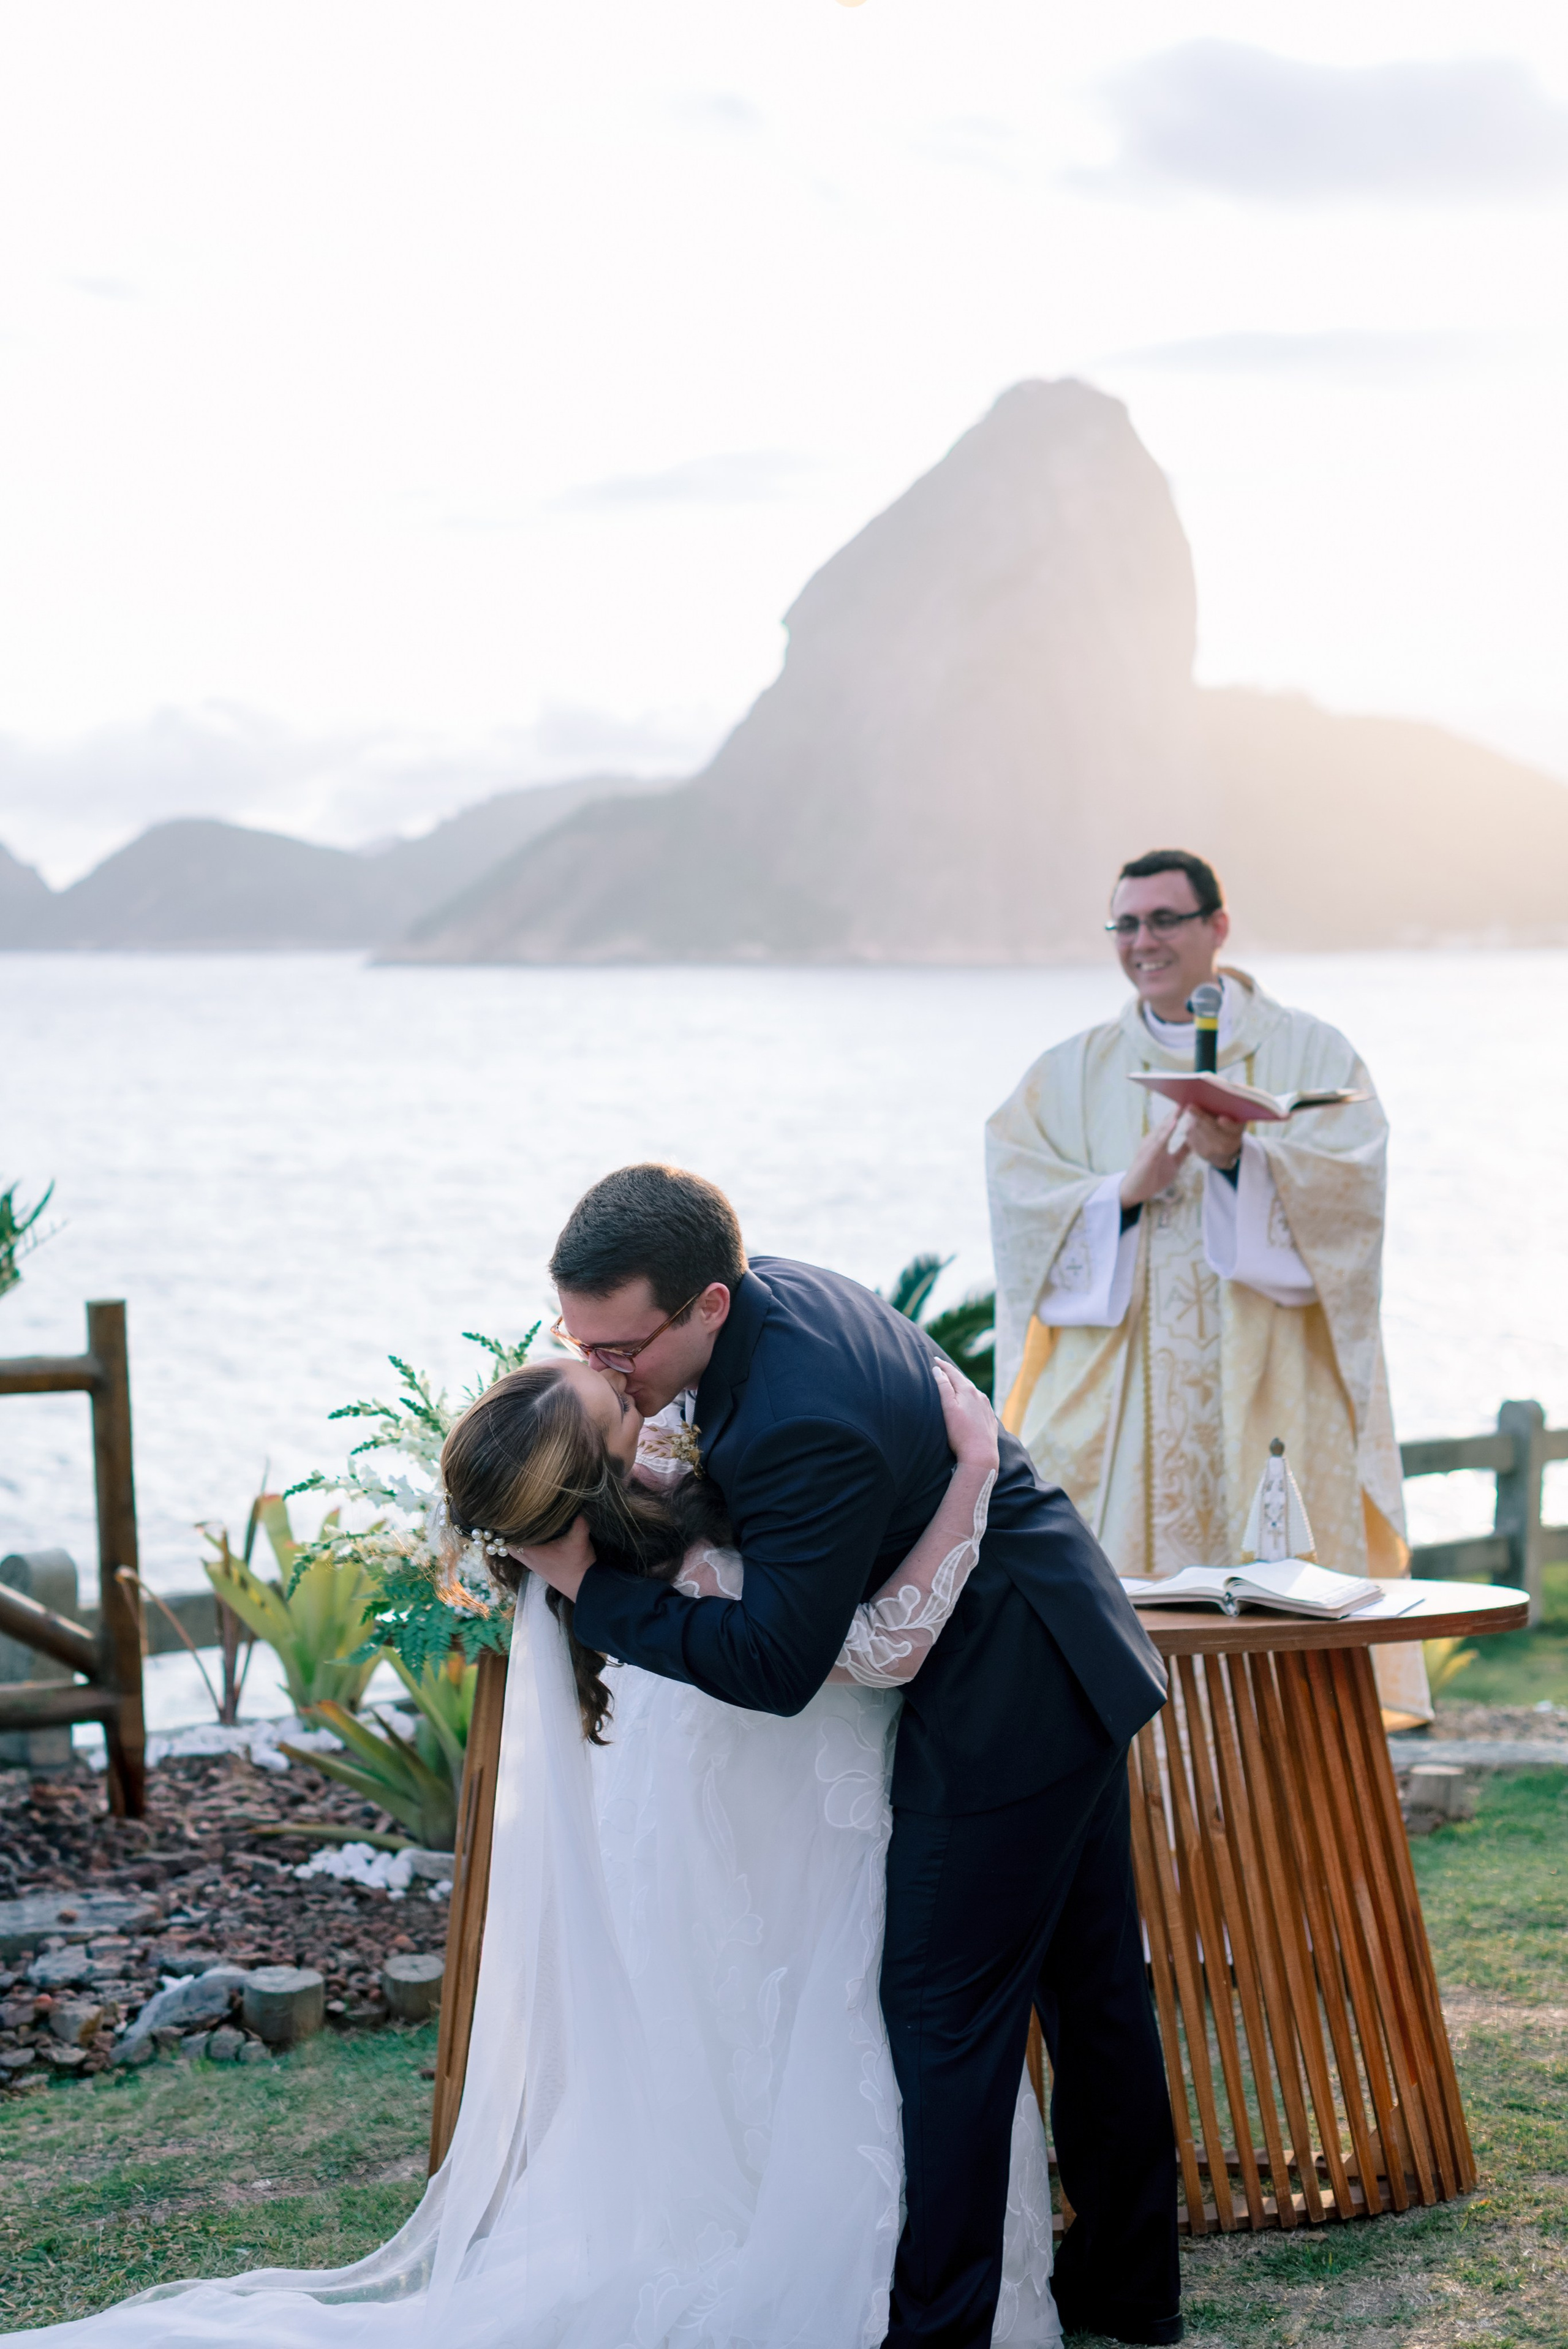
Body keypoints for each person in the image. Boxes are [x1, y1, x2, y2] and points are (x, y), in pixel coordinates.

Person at [6, 1351, 1054, 2348]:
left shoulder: (618, 1559)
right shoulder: (691, 1568)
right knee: (816, 2012)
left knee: (751, 2022)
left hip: (722, 1800)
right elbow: (878, 1647)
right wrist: (972, 1468)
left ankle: (819, 2225)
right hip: (785, 1805)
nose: (606, 1373)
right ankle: (838, 2257)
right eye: (598, 1391)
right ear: (605, 1468)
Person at [522, 1164, 1178, 2347]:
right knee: (1093, 1988)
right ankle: (1129, 2293)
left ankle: (940, 2330)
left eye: (622, 1351)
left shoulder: (795, 1418)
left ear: (706, 1303)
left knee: (941, 2013)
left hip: (1008, 1688)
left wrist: (594, 1596)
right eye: (585, 1349)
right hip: (1059, 1634)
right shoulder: (768, 1304)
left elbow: (780, 1667)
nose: (611, 1374)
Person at [986, 847, 1430, 1730]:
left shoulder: (1311, 1050)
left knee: (1276, 1626)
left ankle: (1281, 1837)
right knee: (1112, 1638)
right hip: (1117, 1416)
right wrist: (1121, 1192)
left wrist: (1248, 1166)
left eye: (1164, 920)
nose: (1142, 941)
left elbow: (1356, 1202)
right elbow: (1017, 1208)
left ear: (1217, 928)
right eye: (1126, 923)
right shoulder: (1067, 1072)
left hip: (1267, 1399)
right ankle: (1136, 1838)